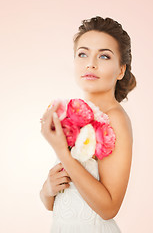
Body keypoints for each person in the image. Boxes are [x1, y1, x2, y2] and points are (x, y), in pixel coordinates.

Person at [40, 16, 137, 233]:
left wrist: (61, 152)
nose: (90, 63)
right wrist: (47, 189)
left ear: (121, 70)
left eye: (104, 56)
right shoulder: (71, 114)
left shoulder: (115, 118)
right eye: (83, 54)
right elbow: (60, 200)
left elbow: (108, 208)